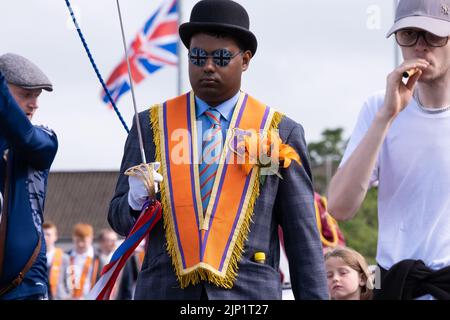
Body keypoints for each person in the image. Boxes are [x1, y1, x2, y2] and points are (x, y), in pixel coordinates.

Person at [108, 0, 327, 300]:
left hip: (249, 296)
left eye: (221, 57)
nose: (207, 66)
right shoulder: (150, 126)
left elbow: (303, 239)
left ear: (246, 60)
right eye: (197, 57)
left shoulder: (277, 131)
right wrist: (135, 200)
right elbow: (118, 220)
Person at [327, 0, 450, 299]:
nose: (420, 46)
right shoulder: (377, 107)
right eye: (408, 34)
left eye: (433, 35)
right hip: (394, 283)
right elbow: (340, 207)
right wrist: (386, 115)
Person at [0, 53, 58, 300]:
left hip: (25, 288)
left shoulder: (44, 138)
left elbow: (23, 135)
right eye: (25, 94)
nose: (34, 104)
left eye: (37, 96)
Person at [63, 223, 101, 300]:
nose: (80, 244)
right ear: (73, 238)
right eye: (77, 241)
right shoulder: (65, 257)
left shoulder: (98, 259)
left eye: (83, 241)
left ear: (91, 238)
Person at [43, 222, 70, 300]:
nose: (45, 237)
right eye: (43, 234)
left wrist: (67, 295)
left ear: (55, 237)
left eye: (48, 234)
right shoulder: (36, 258)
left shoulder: (64, 257)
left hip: (59, 297)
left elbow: (69, 281)